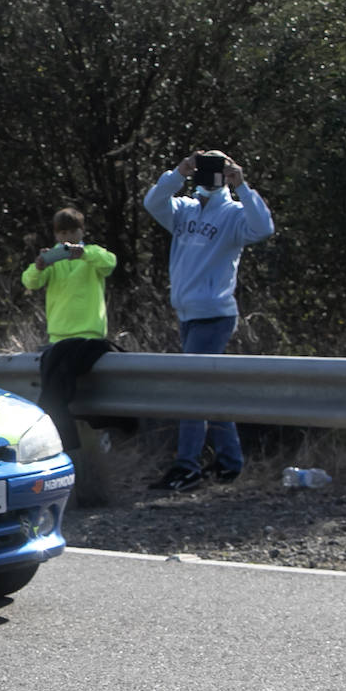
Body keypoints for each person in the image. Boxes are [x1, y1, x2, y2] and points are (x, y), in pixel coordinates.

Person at [144, 149, 275, 491]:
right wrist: (178, 172)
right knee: (208, 389)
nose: (207, 174)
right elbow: (152, 203)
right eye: (204, 167)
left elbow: (263, 228)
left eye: (213, 169)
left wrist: (242, 185)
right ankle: (230, 462)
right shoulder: (183, 208)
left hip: (214, 314)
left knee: (192, 390)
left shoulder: (233, 215)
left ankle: (187, 465)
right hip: (188, 313)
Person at [20, 207, 117, 344]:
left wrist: (84, 254)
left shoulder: (92, 252)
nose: (69, 237)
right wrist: (38, 268)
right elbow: (30, 282)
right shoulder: (51, 259)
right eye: (64, 232)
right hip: (59, 334)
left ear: (82, 231)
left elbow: (109, 264)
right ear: (56, 235)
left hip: (91, 332)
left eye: (73, 231)